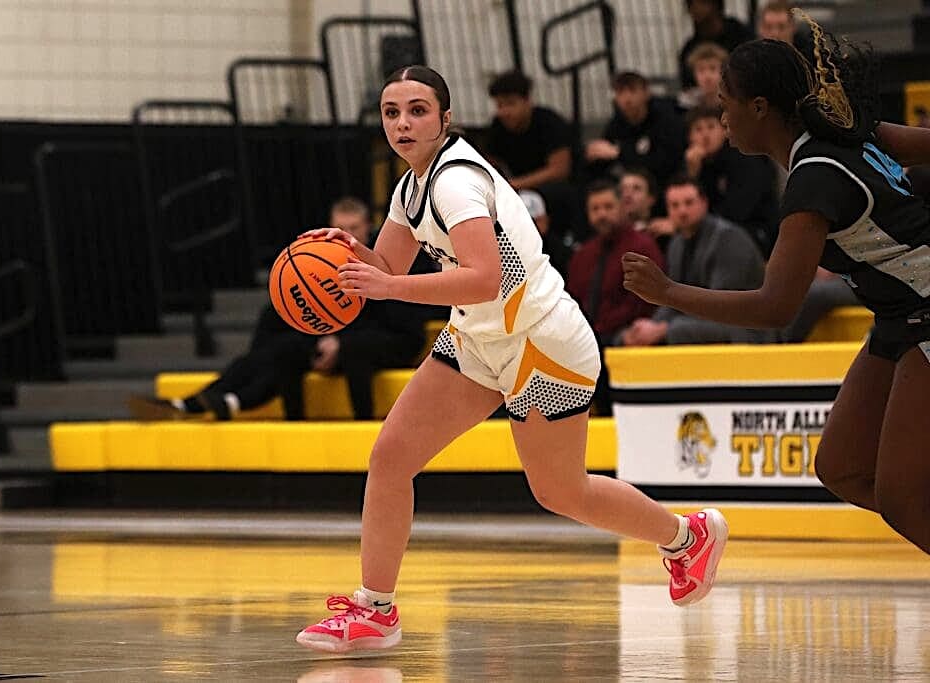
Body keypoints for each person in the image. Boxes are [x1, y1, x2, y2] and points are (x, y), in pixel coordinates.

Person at [294, 65, 729, 654]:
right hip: (478, 339)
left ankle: (685, 536)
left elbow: (481, 278)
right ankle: (375, 610)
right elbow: (388, 268)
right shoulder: (410, 187)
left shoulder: (454, 182)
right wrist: (344, 258)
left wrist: (387, 287)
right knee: (391, 458)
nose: (403, 122)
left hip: (541, 344)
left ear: (446, 119)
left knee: (560, 493)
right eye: (392, 111)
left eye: (418, 110)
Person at [622, 17, 930, 554]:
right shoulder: (847, 135)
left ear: (759, 107)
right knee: (842, 467)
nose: (720, 115)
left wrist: (668, 293)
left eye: (725, 102)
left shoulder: (814, 177)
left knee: (904, 499)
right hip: (898, 319)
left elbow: (774, 308)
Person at [127, 198, 435, 422]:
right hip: (341, 334)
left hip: (392, 337)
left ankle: (364, 426)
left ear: (369, 226)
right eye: (339, 227)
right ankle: (209, 402)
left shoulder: (391, 251)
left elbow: (394, 315)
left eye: (353, 227)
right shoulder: (327, 254)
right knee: (279, 339)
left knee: (351, 347)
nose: (346, 234)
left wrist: (338, 340)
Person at [617, 176, 771, 347]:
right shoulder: (676, 243)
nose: (682, 211)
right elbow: (670, 298)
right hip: (703, 321)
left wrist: (662, 329)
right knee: (630, 334)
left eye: (689, 203)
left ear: (704, 203)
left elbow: (722, 307)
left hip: (744, 328)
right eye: (674, 206)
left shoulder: (728, 239)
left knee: (676, 329)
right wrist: (650, 327)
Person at [566, 181, 664, 415]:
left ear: (622, 207)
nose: (602, 214)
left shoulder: (642, 247)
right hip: (590, 341)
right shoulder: (582, 256)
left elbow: (648, 302)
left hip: (627, 339)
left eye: (608, 207)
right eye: (595, 209)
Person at [484, 70, 584, 270]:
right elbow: (489, 164)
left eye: (510, 104)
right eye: (500, 105)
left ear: (527, 101)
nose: (505, 111)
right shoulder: (497, 128)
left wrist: (514, 185)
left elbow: (559, 170)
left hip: (562, 192)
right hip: (522, 192)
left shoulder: (549, 123)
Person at [683, 106, 779, 256]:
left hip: (757, 232)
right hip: (718, 230)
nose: (705, 135)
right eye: (698, 129)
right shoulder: (699, 164)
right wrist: (692, 173)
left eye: (710, 127)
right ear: (690, 137)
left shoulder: (745, 157)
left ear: (723, 131)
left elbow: (738, 211)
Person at [584, 71, 686, 189]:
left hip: (663, 185)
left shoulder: (666, 120)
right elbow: (605, 154)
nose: (627, 99)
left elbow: (665, 162)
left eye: (632, 90)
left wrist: (619, 153)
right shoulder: (616, 125)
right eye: (621, 92)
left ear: (646, 93)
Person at [678, 0, 754, 89]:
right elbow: (688, 88)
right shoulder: (689, 50)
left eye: (702, 2)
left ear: (716, 5)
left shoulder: (741, 35)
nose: (695, 8)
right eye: (690, 4)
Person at [678, 42, 727, 111]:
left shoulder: (732, 101)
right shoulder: (687, 102)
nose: (707, 76)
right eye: (701, 70)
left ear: (723, 71)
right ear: (693, 74)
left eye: (713, 68)